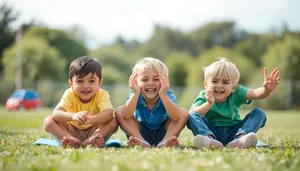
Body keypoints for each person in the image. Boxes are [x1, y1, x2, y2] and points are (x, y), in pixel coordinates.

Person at [187, 57, 280, 149]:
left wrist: (266, 90)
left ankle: (241, 139)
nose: (219, 86)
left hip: (235, 131)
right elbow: (193, 115)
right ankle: (208, 139)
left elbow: (256, 93)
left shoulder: (238, 92)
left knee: (259, 113)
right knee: (191, 115)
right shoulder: (204, 95)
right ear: (206, 85)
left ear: (234, 87)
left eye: (225, 82)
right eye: (214, 81)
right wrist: (209, 103)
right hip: (211, 131)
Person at [43, 56, 118, 148]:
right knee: (48, 121)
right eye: (80, 81)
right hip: (71, 130)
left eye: (91, 81)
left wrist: (90, 119)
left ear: (99, 83)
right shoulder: (69, 93)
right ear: (71, 84)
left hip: (94, 131)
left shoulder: (102, 94)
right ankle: (71, 140)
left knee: (114, 120)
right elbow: (56, 114)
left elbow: (108, 114)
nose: (86, 86)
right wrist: (73, 116)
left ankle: (90, 141)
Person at [115, 57, 188, 148]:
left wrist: (163, 95)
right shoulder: (135, 94)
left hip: (164, 134)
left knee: (183, 113)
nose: (150, 83)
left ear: (164, 80)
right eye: (144, 80)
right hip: (139, 134)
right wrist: (136, 93)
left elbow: (176, 117)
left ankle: (164, 143)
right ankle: (141, 142)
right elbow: (125, 115)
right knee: (120, 111)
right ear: (135, 82)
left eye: (156, 79)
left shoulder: (167, 94)